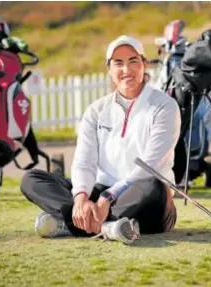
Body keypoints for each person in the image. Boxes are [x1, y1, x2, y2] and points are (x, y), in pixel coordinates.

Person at [20, 35, 181, 245]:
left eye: (133, 61)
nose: (126, 69)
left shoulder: (165, 106)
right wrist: (80, 198)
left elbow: (150, 165)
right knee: (32, 179)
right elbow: (84, 161)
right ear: (109, 69)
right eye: (118, 63)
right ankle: (107, 227)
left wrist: (108, 197)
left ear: (144, 64)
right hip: (101, 192)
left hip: (144, 200)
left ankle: (71, 224)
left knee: (153, 186)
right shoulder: (96, 110)